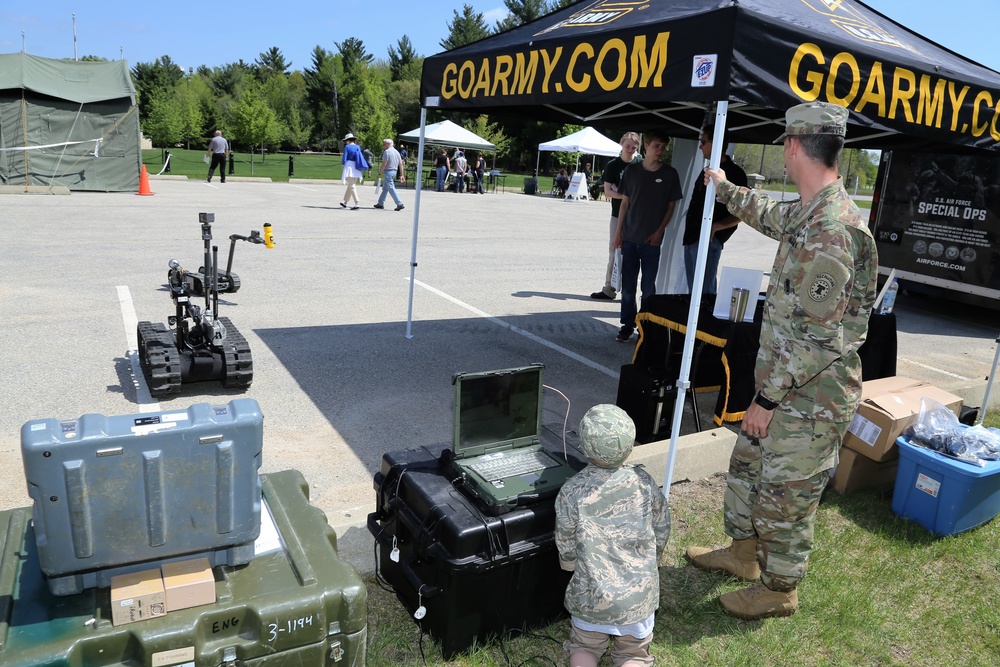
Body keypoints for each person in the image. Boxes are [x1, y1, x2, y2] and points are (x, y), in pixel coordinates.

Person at [685, 101, 878, 620]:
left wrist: (767, 400)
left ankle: (779, 589)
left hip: (809, 399)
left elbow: (819, 339)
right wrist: (723, 185)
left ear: (794, 147)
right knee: (748, 468)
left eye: (784, 144)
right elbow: (766, 213)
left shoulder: (833, 229)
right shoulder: (809, 211)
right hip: (781, 387)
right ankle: (744, 556)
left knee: (787, 497)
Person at [555, 404, 670, 667]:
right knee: (633, 654)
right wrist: (655, 558)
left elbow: (565, 539)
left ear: (584, 444)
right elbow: (662, 525)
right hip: (637, 601)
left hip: (590, 596)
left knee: (584, 646)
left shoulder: (572, 490)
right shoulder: (644, 482)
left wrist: (570, 564)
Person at [613, 128, 683, 343]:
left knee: (648, 287)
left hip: (652, 241)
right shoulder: (632, 172)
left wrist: (659, 231)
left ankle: (647, 325)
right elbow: (624, 203)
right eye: (656, 146)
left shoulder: (669, 174)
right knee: (628, 287)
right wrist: (618, 235)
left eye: (663, 146)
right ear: (647, 146)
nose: (660, 150)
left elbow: (671, 207)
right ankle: (627, 325)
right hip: (629, 237)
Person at [683, 125, 748, 296]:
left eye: (703, 142)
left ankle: (705, 323)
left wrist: (717, 226)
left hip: (709, 240)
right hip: (692, 237)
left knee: (704, 294)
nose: (700, 146)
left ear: (715, 142)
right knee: (694, 293)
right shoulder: (708, 169)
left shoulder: (734, 173)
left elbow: (743, 211)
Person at [591, 132, 641, 301]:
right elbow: (607, 192)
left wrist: (619, 191)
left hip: (636, 216)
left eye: (633, 147)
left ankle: (629, 291)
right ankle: (609, 288)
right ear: (621, 145)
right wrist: (625, 194)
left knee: (633, 253)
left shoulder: (640, 163)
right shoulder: (613, 165)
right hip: (617, 214)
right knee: (614, 250)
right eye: (627, 146)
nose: (630, 150)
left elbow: (640, 193)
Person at [374, 138, 405, 211]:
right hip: (394, 171)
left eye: (384, 144)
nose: (383, 146)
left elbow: (384, 163)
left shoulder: (387, 152)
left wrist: (379, 173)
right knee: (385, 188)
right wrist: (401, 174)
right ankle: (380, 203)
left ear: (388, 144)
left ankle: (399, 203)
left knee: (390, 187)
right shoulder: (397, 152)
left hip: (388, 171)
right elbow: (400, 164)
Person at [339, 133, 367, 210]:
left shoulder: (347, 147)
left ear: (348, 140)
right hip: (356, 167)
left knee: (352, 186)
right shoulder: (358, 147)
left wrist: (343, 165)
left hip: (349, 166)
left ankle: (357, 203)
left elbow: (344, 158)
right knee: (350, 186)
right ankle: (345, 202)